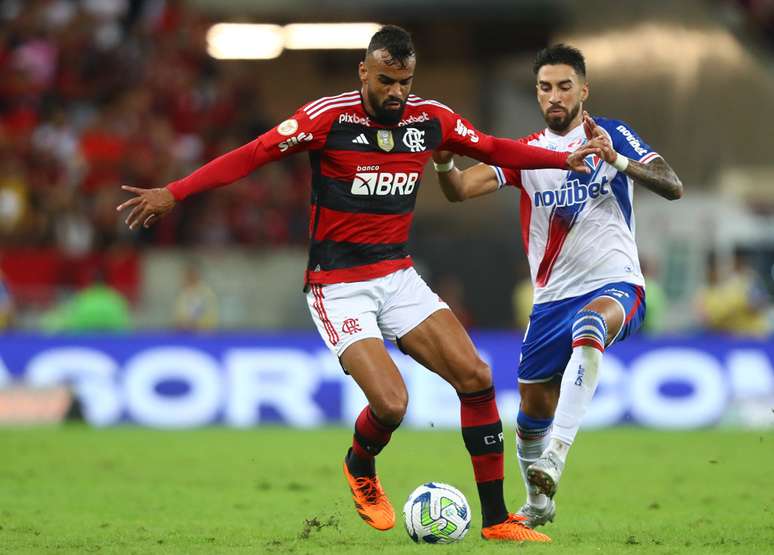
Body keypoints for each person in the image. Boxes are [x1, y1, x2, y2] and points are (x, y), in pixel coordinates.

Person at [117, 27, 599, 542]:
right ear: (364, 72)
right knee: (392, 404)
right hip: (338, 285)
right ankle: (360, 465)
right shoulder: (328, 118)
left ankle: (498, 520)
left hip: (397, 276)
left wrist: (558, 157)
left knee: (476, 376)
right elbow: (253, 154)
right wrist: (175, 191)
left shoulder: (430, 119)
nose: (397, 93)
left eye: (405, 82)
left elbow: (494, 148)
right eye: (387, 81)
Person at [433, 44, 683, 530]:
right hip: (550, 302)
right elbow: (460, 189)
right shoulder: (527, 153)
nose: (554, 96)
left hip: (615, 283)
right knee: (530, 413)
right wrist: (443, 163)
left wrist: (619, 162)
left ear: (583, 90)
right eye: (545, 87)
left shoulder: (609, 135)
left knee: (590, 327)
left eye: (564, 86)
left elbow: (672, 185)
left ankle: (556, 459)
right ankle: (539, 503)